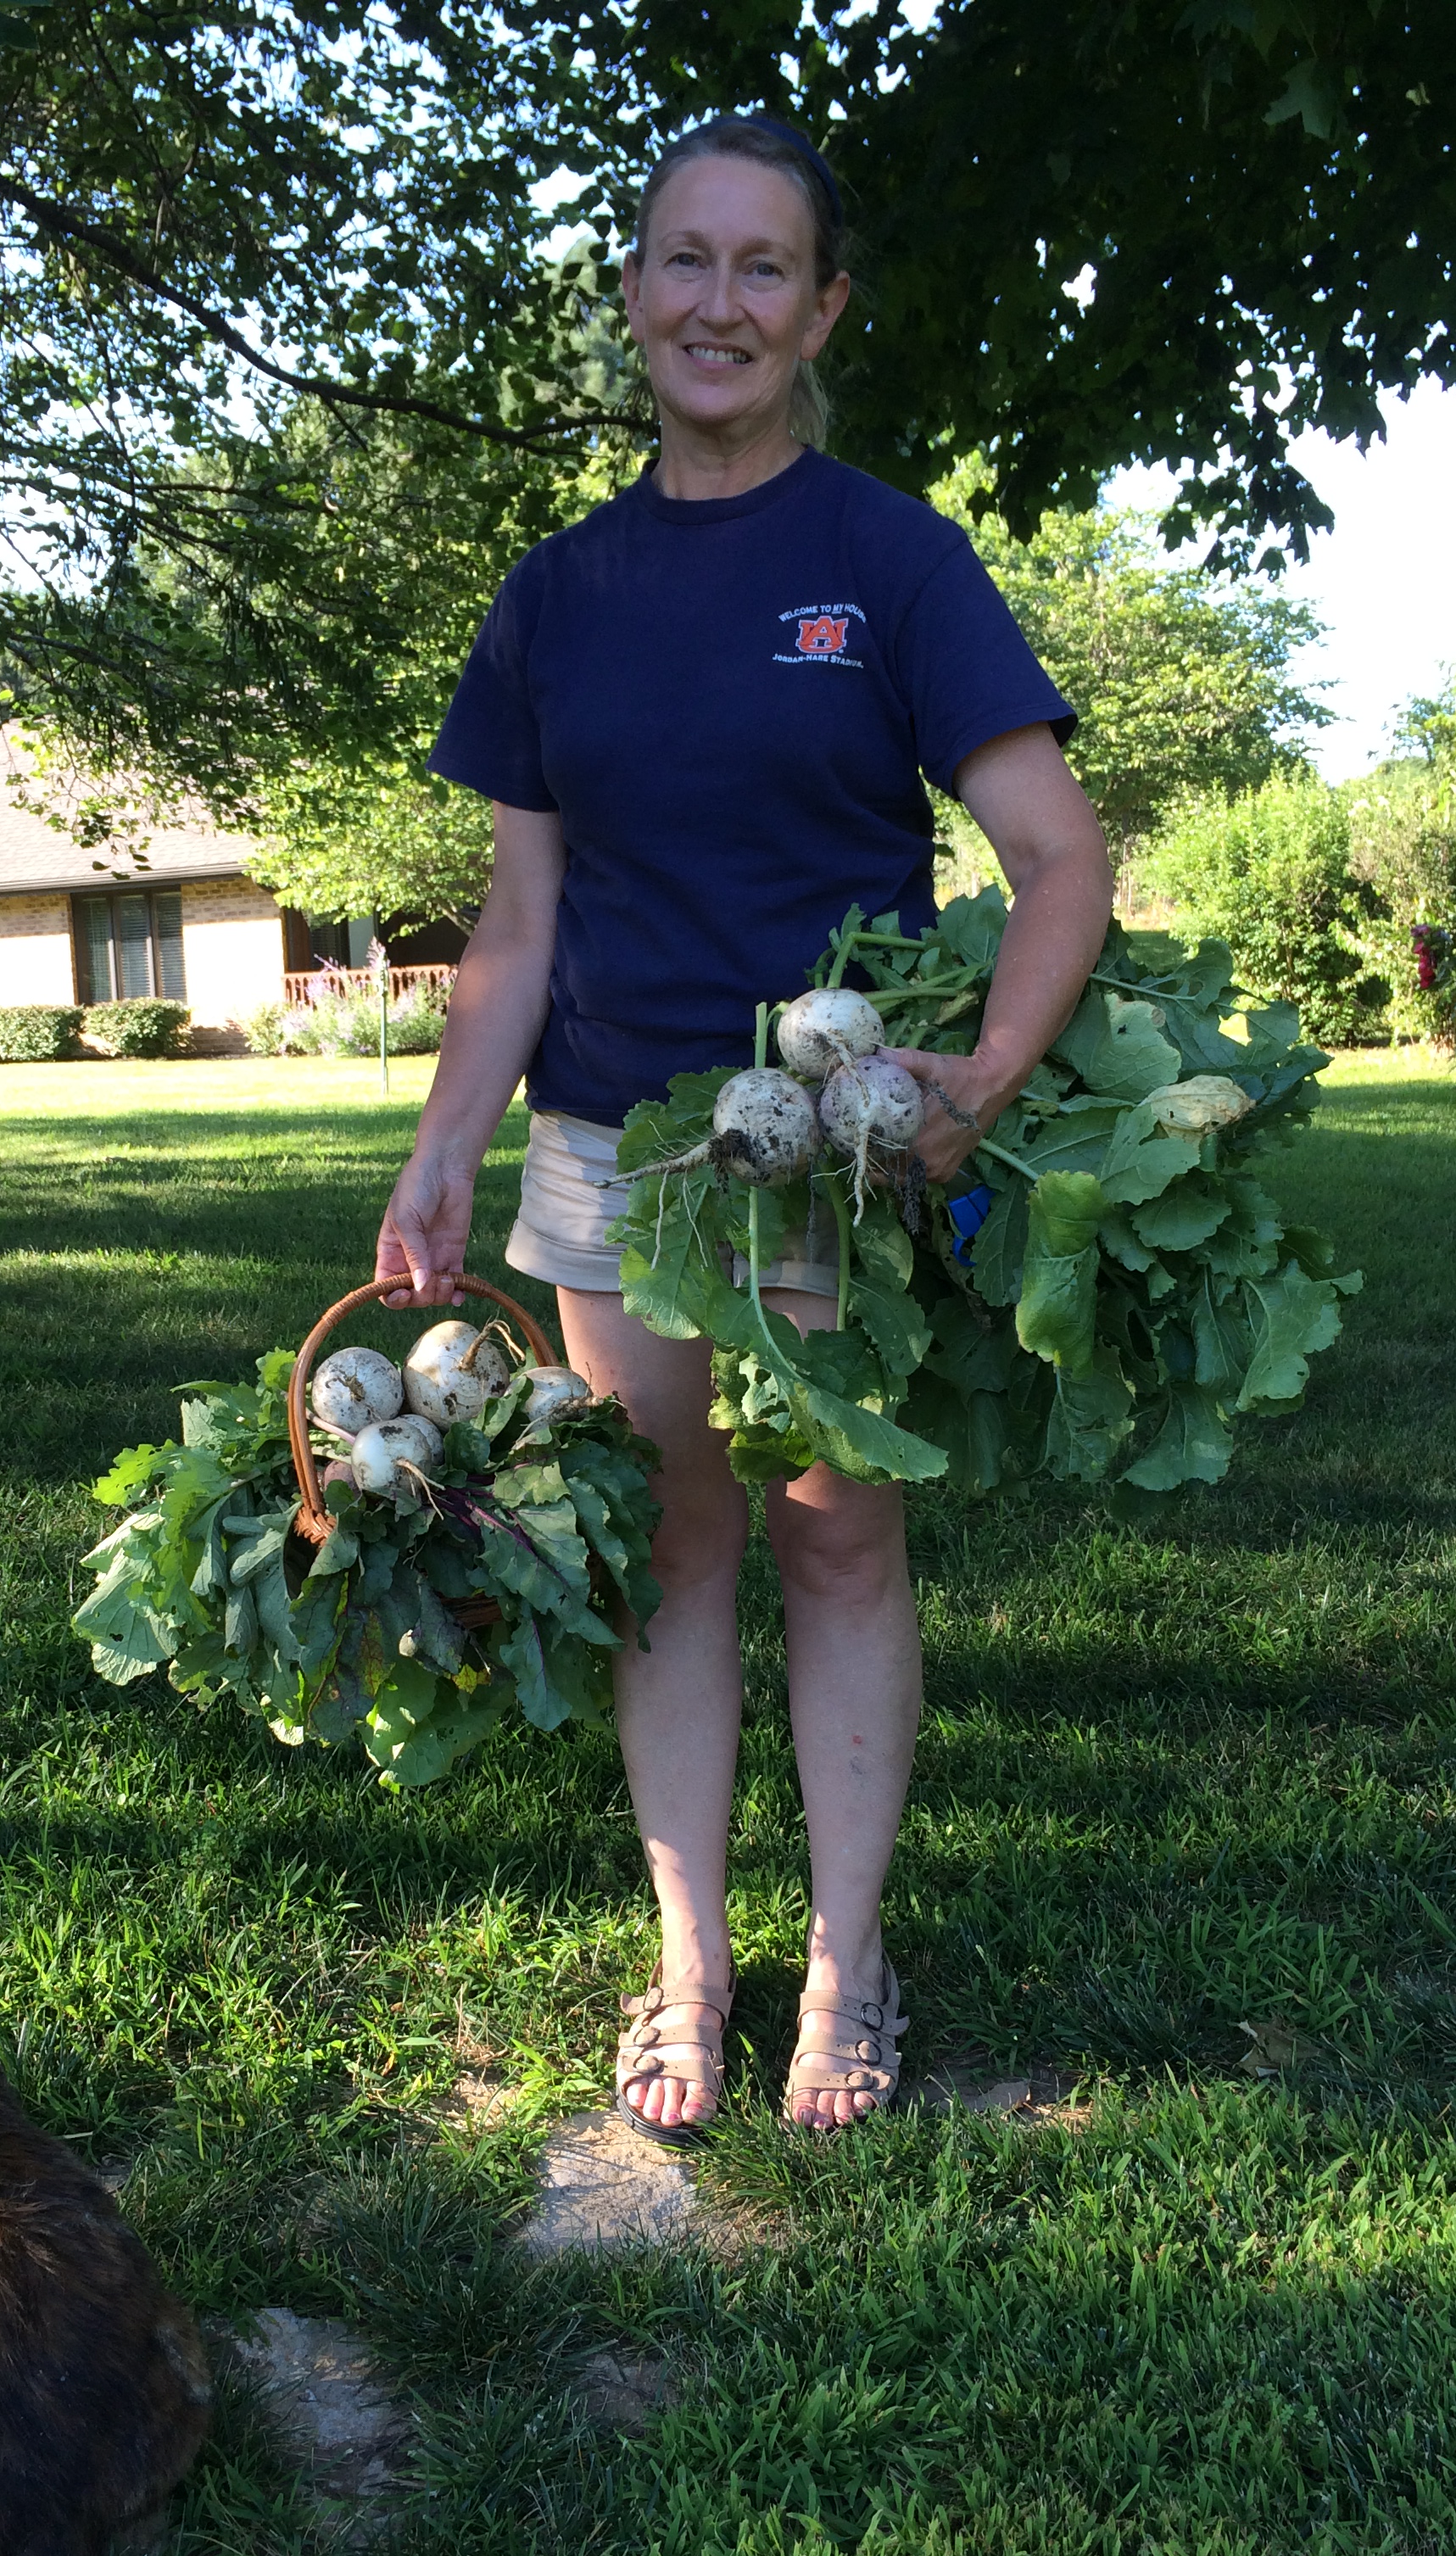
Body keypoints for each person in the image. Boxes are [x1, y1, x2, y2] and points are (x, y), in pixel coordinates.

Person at [376, 114, 1113, 2138]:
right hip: (616, 1151)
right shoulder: (554, 596)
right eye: (681, 262)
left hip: (824, 1152)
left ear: (820, 310)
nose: (717, 303)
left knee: (834, 1533)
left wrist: (983, 1080)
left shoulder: (889, 560)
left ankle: (844, 1967)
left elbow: (1060, 857)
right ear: (632, 293)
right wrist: (446, 1137)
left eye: (761, 268)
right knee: (669, 1554)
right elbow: (519, 921)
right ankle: (692, 1971)